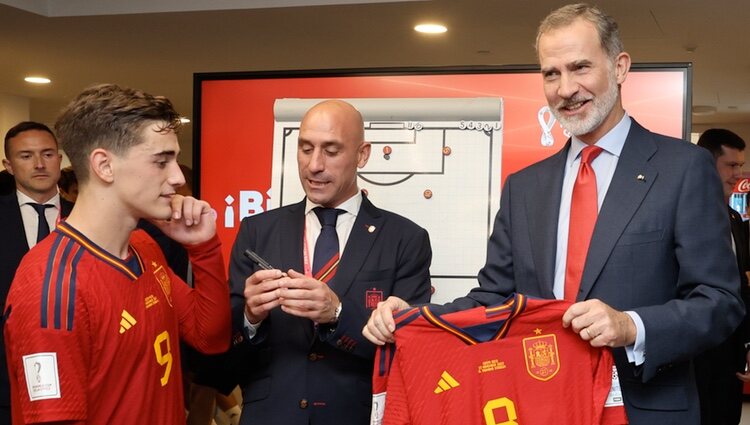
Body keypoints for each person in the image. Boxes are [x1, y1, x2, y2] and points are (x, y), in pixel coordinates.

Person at [364, 4, 744, 424]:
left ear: (619, 67)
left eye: (580, 67)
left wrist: (631, 325)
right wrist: (415, 317)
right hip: (537, 406)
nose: (566, 89)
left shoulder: (683, 169)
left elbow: (720, 301)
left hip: (644, 409)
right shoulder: (524, 187)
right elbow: (493, 298)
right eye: (551, 73)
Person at [3, 84, 231, 425]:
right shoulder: (50, 286)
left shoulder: (144, 247)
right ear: (104, 166)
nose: (176, 177)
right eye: (161, 161)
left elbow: (209, 338)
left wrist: (203, 248)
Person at [228, 99, 432, 425]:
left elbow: (411, 351)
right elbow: (224, 362)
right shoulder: (257, 232)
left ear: (362, 154)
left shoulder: (405, 239)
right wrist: (250, 318)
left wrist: (337, 314)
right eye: (305, 149)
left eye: (331, 151)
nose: (314, 165)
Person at [0, 121, 72, 425]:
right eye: (26, 156)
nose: (40, 164)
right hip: (5, 379)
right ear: (9, 165)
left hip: (76, 374)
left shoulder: (90, 217)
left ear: (60, 159)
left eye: (48, 154)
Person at [695, 128, 750, 425]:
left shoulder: (735, 219)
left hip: (730, 356)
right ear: (708, 163)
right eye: (731, 165)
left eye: (740, 165)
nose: (737, 173)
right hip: (692, 358)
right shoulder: (681, 216)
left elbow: (742, 287)